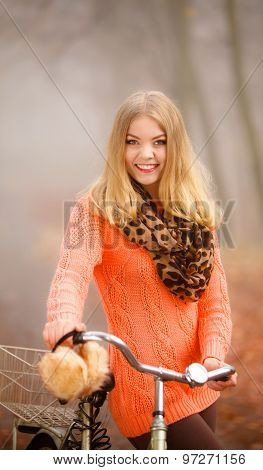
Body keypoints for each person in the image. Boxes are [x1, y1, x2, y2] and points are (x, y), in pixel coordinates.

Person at [43, 90, 237, 450]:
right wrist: (64, 323)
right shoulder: (96, 209)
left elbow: (214, 302)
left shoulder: (196, 212)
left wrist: (213, 356)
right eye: (133, 142)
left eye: (158, 142)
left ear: (174, 147)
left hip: (196, 381)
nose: (145, 154)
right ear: (119, 146)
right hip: (143, 388)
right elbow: (69, 276)